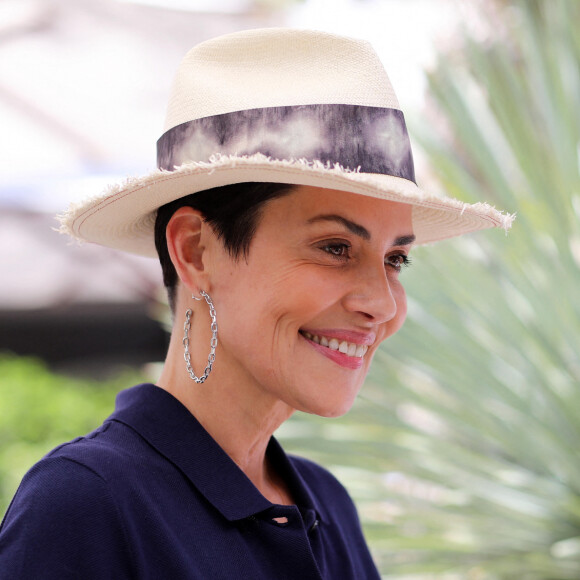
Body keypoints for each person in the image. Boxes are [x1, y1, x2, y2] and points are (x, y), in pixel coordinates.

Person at [0, 28, 513, 579]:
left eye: (395, 259)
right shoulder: (86, 504)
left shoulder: (326, 504)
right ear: (196, 250)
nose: (382, 304)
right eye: (336, 248)